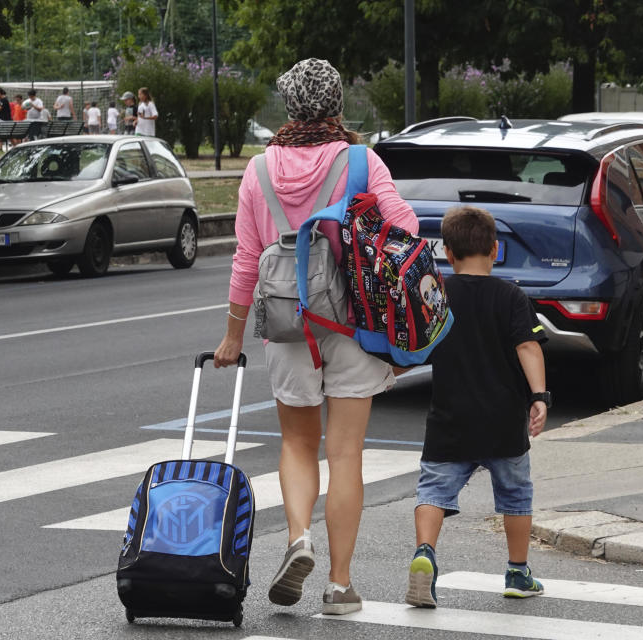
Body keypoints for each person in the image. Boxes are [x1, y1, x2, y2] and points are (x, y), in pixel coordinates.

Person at [213, 58, 418, 616]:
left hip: (285, 325)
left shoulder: (257, 172)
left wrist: (233, 337)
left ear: (288, 105)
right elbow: (404, 228)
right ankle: (339, 586)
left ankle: (297, 538)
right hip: (352, 322)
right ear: (336, 104)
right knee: (345, 453)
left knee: (297, 444)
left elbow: (247, 260)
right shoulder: (361, 160)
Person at [403, 206, 549, 609]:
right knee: (516, 496)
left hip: (450, 416)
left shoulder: (438, 294)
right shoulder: (512, 295)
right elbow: (527, 346)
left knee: (433, 491)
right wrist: (538, 396)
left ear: (448, 253)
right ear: (495, 249)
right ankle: (518, 571)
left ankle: (424, 554)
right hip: (503, 419)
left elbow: (414, 348)